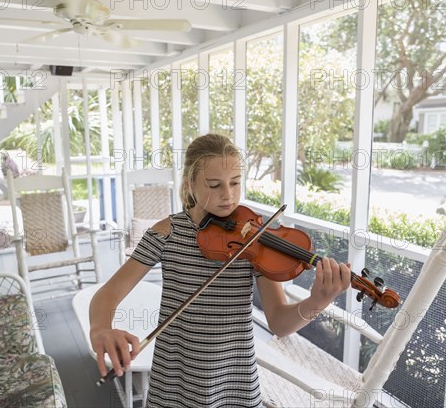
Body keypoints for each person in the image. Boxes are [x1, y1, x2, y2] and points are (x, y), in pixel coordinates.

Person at [89, 133, 351, 407]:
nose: (228, 195)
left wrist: (317, 301)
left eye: (235, 183)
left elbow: (280, 324)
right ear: (190, 184)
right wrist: (101, 329)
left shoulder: (254, 241)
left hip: (234, 382)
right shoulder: (167, 233)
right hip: (175, 381)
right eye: (214, 185)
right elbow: (108, 293)